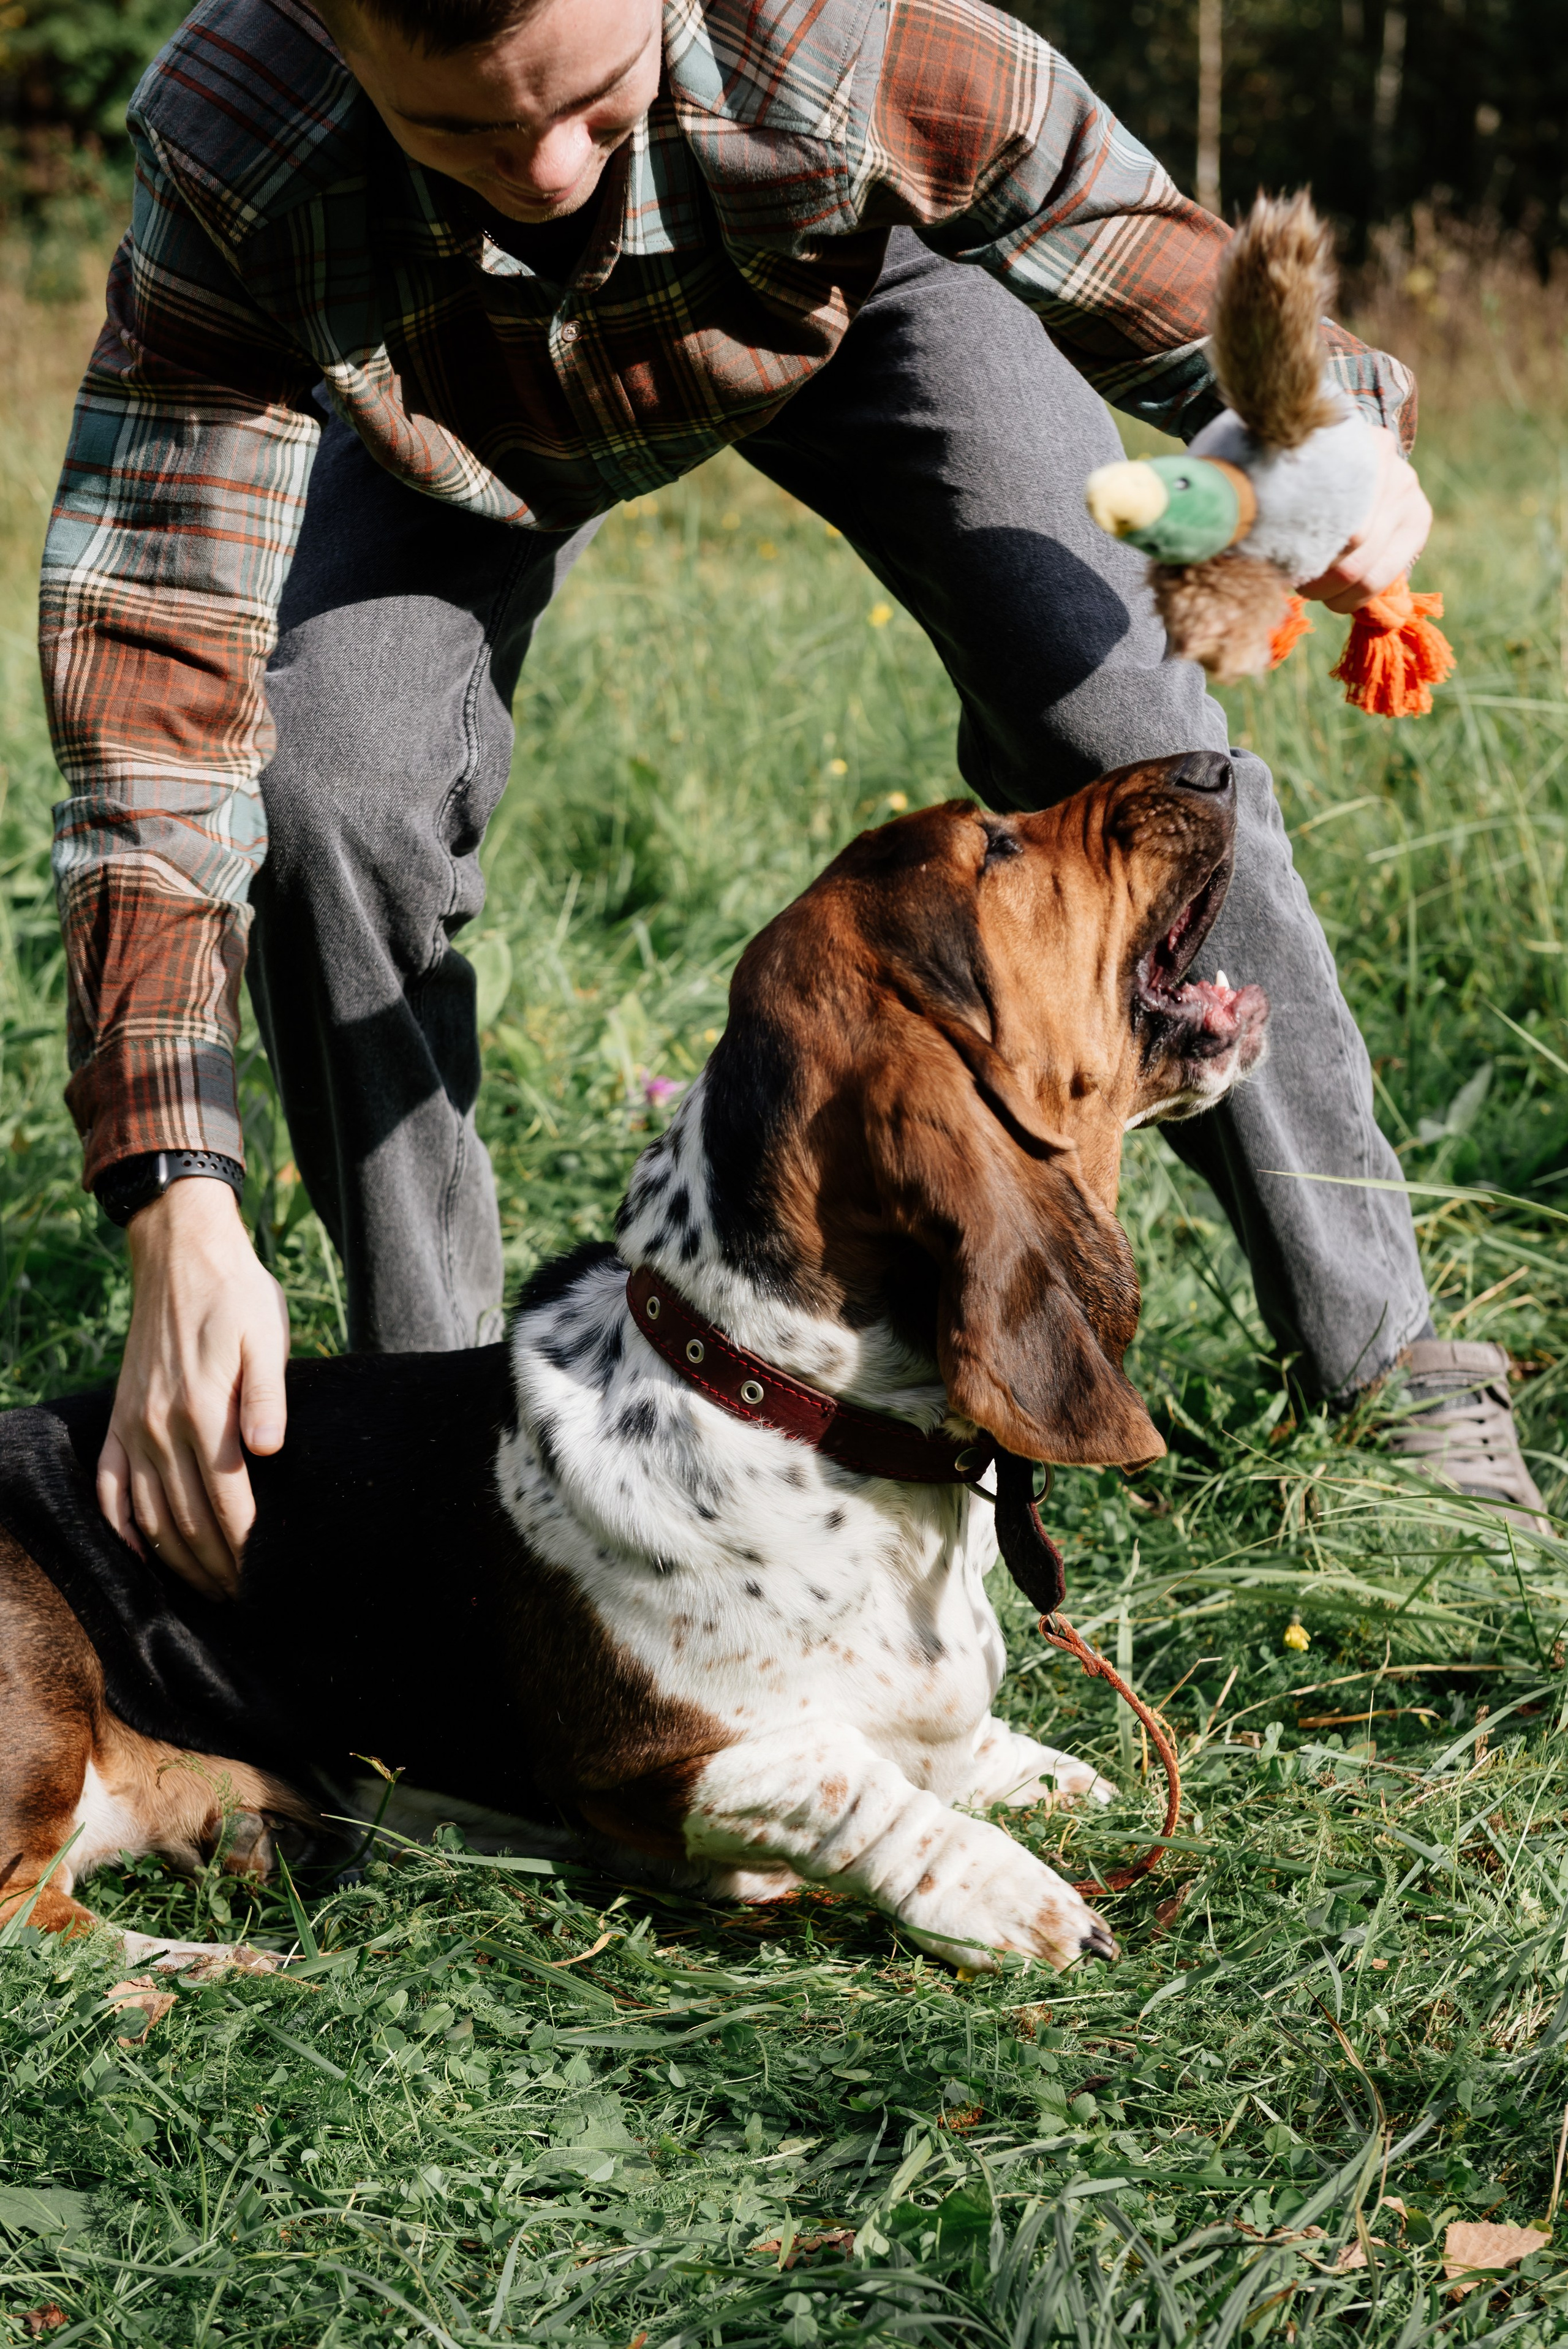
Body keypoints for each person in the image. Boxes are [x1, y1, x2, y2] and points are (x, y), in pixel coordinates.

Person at [39, 0, 1547, 1602]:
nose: (547, 174)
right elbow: (152, 669)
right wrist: (175, 1196)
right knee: (322, 791)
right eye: (467, 134)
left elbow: (1178, 284)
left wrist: (1338, 449)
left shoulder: (851, 38)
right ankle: (445, 1434)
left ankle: (1382, 1353)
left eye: (596, 110)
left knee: (1107, 703)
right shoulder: (242, 130)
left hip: (853, 288)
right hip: (452, 403)